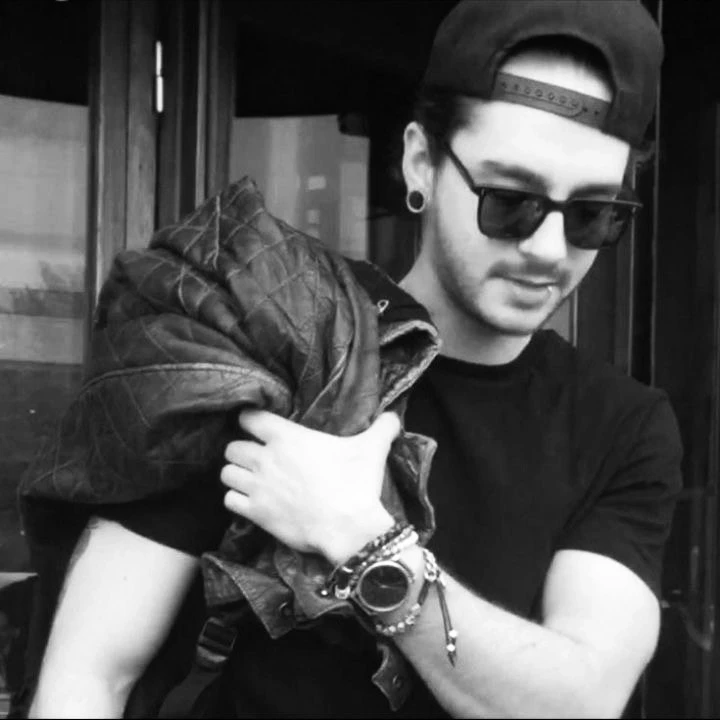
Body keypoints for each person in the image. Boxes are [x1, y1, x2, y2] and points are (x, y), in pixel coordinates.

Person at [25, 1, 682, 718]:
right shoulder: (276, 337)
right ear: (421, 161)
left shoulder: (623, 426)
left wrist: (360, 537)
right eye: (509, 201)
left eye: (592, 213)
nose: (549, 249)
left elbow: (582, 700)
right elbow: (90, 675)